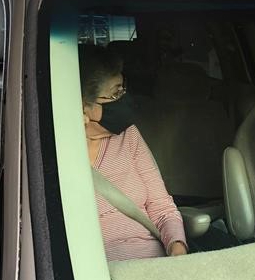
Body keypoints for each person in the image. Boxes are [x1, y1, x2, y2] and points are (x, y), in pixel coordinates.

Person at [80, 45, 188, 261]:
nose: (124, 99)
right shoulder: (55, 154)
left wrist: (178, 248)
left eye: (123, 89)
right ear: (83, 106)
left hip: (154, 264)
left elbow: (162, 207)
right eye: (115, 93)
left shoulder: (129, 135)